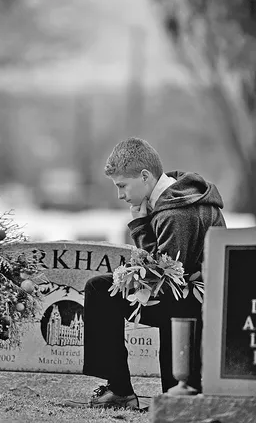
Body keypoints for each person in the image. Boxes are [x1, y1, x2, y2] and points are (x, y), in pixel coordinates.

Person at [73, 137, 226, 409]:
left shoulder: (176, 213)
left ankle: (140, 390)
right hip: (190, 296)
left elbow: (161, 276)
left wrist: (140, 225)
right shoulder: (176, 193)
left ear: (145, 176)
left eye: (122, 186)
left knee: (100, 291)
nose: (120, 195)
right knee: (101, 289)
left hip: (196, 304)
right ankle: (122, 389)